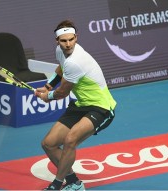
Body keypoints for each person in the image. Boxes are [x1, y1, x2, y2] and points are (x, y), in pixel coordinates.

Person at [34, 20, 117, 191]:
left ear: (76, 37)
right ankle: (74, 182)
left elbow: (62, 92)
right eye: (63, 41)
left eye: (71, 39)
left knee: (70, 140)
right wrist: (48, 86)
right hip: (80, 104)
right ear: (57, 41)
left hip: (101, 107)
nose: (68, 44)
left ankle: (56, 185)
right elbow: (60, 68)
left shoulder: (76, 61)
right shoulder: (61, 52)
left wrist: (47, 96)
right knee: (48, 143)